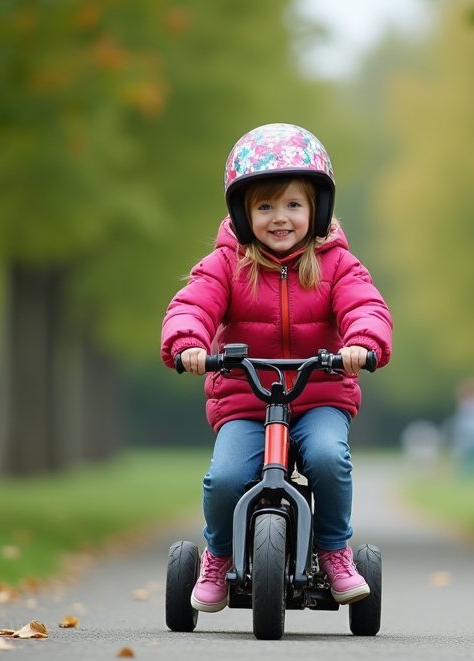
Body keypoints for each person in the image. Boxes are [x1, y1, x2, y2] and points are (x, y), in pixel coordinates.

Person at [160, 123, 392, 613]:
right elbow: (193, 305)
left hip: (320, 394)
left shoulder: (337, 265)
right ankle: (218, 558)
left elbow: (365, 307)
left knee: (329, 458)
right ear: (243, 215)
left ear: (317, 210)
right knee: (224, 477)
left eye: (292, 205)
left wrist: (361, 343)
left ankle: (333, 551)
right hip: (246, 400)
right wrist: (188, 343)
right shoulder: (226, 264)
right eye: (264, 207)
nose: (279, 218)